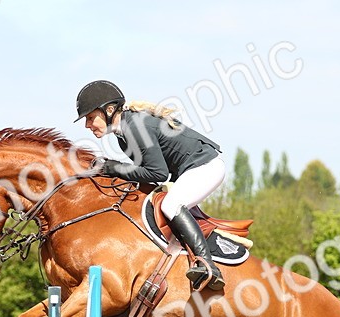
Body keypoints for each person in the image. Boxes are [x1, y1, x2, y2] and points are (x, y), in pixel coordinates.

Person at [75, 79, 227, 292]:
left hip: (205, 167)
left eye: (91, 118)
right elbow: (147, 175)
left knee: (171, 205)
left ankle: (208, 266)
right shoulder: (123, 134)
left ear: (109, 110)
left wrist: (112, 168)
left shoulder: (136, 127)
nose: (87, 125)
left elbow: (157, 173)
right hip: (191, 170)